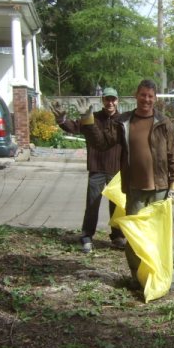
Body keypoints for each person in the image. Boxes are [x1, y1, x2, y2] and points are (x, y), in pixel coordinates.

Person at [81, 79, 174, 288]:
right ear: (136, 95)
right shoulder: (123, 122)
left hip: (161, 190)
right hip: (134, 190)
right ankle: (138, 278)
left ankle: (168, 275)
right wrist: (88, 120)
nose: (146, 99)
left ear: (155, 99)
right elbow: (101, 143)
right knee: (134, 237)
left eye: (150, 96)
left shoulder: (164, 124)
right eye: (143, 95)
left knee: (162, 236)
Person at [50, 88, 125, 253]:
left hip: (115, 169)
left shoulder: (122, 120)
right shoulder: (93, 117)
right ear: (102, 100)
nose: (110, 103)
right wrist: (62, 119)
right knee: (92, 204)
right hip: (97, 168)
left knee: (117, 206)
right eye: (107, 99)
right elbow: (75, 127)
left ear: (117, 101)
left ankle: (118, 236)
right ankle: (87, 235)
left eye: (113, 99)